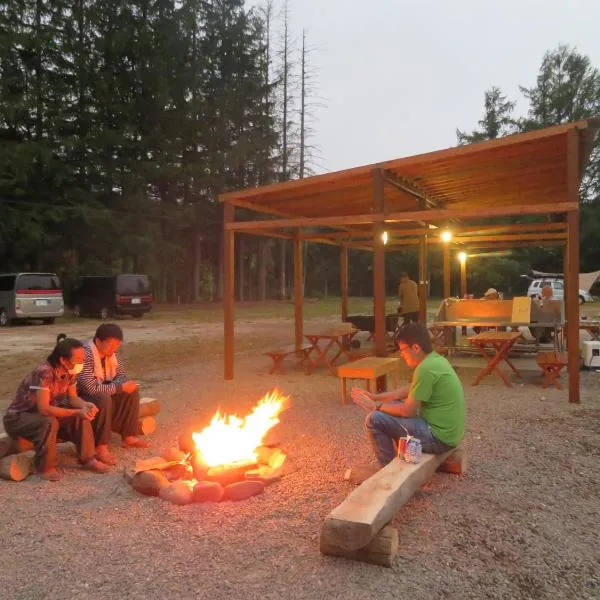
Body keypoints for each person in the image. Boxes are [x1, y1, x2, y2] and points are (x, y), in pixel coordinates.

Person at [351, 323, 465, 467]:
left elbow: (407, 411)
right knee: (391, 407)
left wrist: (375, 406)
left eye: (403, 350)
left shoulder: (425, 369)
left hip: (439, 439)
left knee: (374, 419)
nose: (401, 354)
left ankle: (388, 470)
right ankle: (408, 457)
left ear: (415, 348)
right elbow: (409, 390)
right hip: (448, 434)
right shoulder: (435, 360)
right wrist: (375, 397)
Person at [2, 335, 111, 481]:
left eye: (83, 359)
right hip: (19, 418)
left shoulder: (70, 372)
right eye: (78, 360)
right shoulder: (44, 372)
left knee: (79, 418)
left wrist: (85, 405)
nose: (82, 363)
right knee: (50, 421)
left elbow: (73, 398)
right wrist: (77, 412)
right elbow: (44, 409)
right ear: (63, 360)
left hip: (43, 416)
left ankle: (88, 458)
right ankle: (45, 467)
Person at [77, 323, 150, 465]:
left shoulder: (112, 355)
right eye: (110, 345)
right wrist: (118, 388)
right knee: (103, 397)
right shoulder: (85, 353)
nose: (114, 349)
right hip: (81, 396)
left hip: (102, 389)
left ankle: (129, 435)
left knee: (131, 390)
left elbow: (121, 376)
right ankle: (101, 445)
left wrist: (123, 386)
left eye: (117, 346)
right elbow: (89, 388)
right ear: (97, 341)